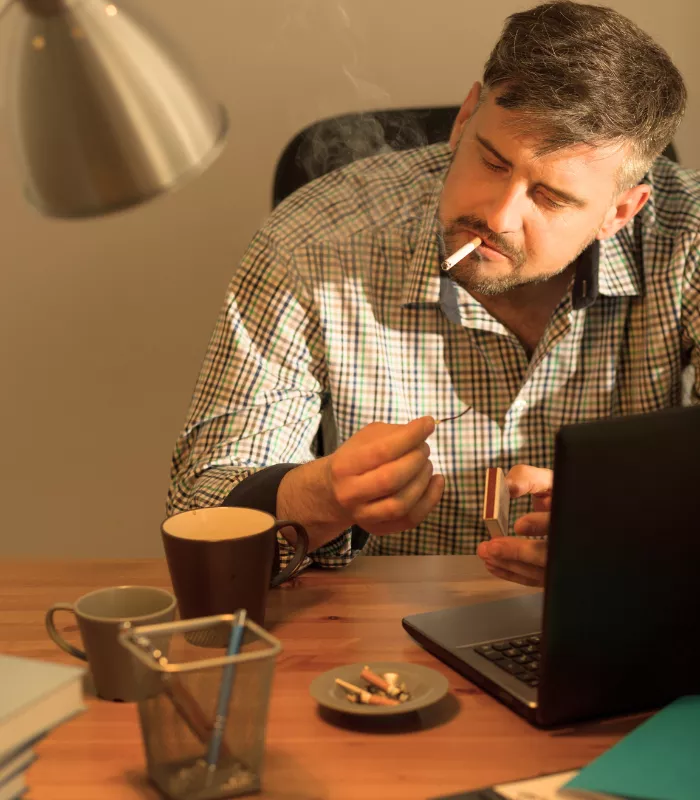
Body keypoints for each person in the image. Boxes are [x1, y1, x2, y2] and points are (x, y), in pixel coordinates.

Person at [167, 1, 699, 587]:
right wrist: (325, 494)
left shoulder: (690, 241)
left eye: (549, 199)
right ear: (466, 117)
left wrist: (633, 526)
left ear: (619, 213)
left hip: (617, 631)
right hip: (373, 640)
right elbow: (199, 517)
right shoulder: (313, 242)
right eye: (492, 162)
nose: (497, 215)